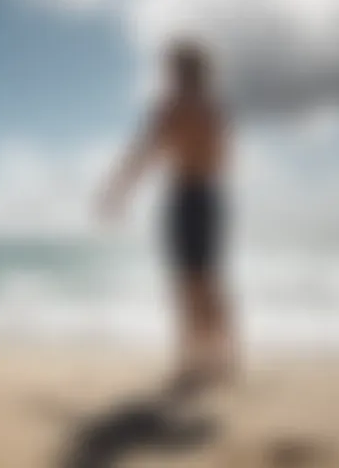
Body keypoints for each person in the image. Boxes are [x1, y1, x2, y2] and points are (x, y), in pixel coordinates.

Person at [97, 40, 235, 396]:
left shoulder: (173, 108)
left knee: (188, 280)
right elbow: (223, 158)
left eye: (171, 69)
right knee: (207, 277)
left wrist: (116, 191)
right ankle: (224, 356)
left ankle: (195, 359)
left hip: (188, 194)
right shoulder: (214, 110)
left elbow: (144, 152)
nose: (167, 75)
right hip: (210, 194)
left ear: (179, 71)